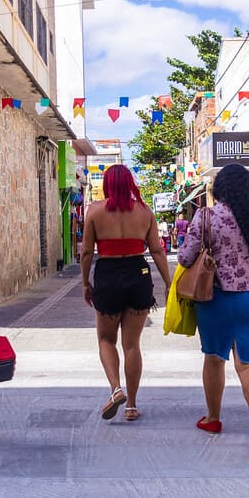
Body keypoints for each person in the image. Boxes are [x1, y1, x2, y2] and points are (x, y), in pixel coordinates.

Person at [177, 163, 249, 458]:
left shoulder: (206, 216)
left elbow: (184, 258)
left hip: (215, 298)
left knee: (214, 358)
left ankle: (213, 418)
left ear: (218, 188)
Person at [81, 164, 171, 423]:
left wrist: (85, 282)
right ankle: (131, 405)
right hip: (137, 275)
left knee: (106, 340)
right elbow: (157, 250)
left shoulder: (95, 211)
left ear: (107, 184)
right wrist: (168, 282)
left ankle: (115, 389)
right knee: (132, 344)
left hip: (108, 275)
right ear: (130, 183)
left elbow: (87, 252)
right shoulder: (145, 212)